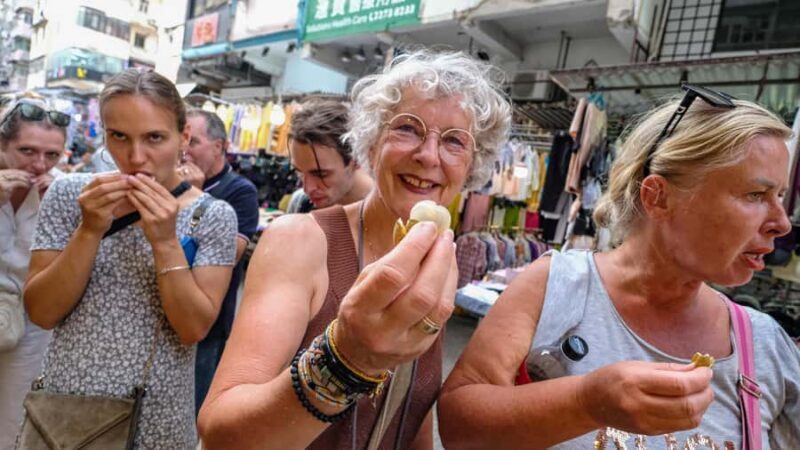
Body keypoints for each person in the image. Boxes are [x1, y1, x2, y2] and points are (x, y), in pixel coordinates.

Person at [438, 87, 800, 448]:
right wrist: (584, 402)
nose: (782, 222)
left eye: (780, 197)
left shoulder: (764, 345)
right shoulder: (557, 286)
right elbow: (457, 426)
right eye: (755, 195)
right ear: (658, 197)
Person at [198, 50, 511, 449]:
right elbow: (222, 432)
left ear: (472, 164)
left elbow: (411, 417)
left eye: (454, 141)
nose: (428, 155)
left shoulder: (436, 257)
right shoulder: (300, 240)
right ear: (372, 141)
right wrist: (345, 361)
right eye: (408, 129)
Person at [22, 69, 238, 448]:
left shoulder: (213, 216)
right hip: (66, 412)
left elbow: (193, 329)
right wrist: (89, 230)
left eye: (154, 137)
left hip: (157, 415)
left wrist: (166, 242)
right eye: (119, 137)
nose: (136, 157)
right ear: (104, 133)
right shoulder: (70, 196)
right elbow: (41, 311)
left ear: (183, 136)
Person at [179, 108, 259, 415]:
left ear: (219, 147)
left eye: (194, 141)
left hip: (206, 325)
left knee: (188, 413)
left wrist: (194, 197)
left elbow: (226, 257)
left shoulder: (240, 192)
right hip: (164, 318)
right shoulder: (169, 182)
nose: (185, 150)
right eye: (182, 140)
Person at [0, 98, 68, 449]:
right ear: (2, 143)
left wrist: (60, 208)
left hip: (28, 322)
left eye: (52, 155)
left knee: (15, 414)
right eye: (26, 150)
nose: (39, 163)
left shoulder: (62, 190)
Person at [286, 99, 373, 213]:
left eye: (321, 175)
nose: (308, 189)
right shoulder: (301, 204)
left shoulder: (393, 212)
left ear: (356, 160)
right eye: (300, 173)